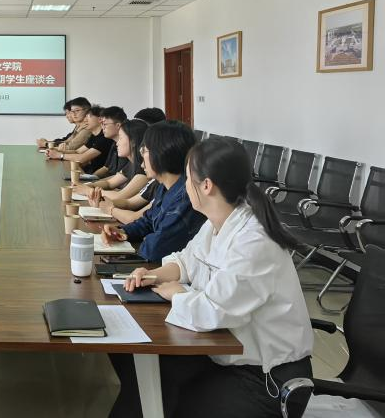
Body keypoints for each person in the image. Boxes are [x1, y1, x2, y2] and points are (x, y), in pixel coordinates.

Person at [109, 138, 313, 418]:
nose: (184, 186)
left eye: (188, 178)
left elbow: (213, 311)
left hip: (267, 380)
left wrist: (176, 292)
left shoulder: (254, 240)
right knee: (146, 376)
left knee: (169, 398)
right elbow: (187, 260)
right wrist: (152, 275)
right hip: (226, 358)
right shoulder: (220, 221)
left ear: (206, 185)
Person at [101, 120, 204, 263]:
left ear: (161, 154)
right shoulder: (164, 186)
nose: (141, 157)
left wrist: (145, 238)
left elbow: (155, 249)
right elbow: (148, 221)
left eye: (144, 150)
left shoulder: (185, 198)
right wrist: (122, 231)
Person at [89, 119, 150, 217]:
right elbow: (109, 183)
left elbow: (121, 197)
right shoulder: (131, 163)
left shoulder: (144, 171)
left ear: (133, 141)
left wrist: (91, 191)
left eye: (121, 138)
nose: (117, 143)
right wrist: (90, 186)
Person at [75, 106, 129, 191]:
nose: (102, 127)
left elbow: (117, 180)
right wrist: (90, 179)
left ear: (118, 125)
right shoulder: (114, 143)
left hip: (114, 189)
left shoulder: (126, 148)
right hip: (107, 185)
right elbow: (106, 168)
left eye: (105, 124)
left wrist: (92, 184)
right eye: (102, 124)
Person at [46, 106, 113, 173]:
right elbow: (78, 151)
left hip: (96, 174)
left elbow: (82, 158)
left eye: (88, 117)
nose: (85, 120)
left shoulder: (104, 138)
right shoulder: (94, 135)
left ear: (99, 119)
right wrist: (57, 151)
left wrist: (59, 155)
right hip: (89, 171)